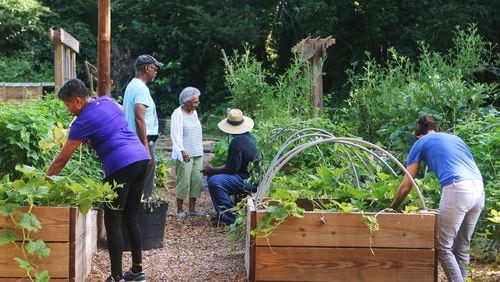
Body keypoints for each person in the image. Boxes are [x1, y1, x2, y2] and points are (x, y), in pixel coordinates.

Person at [45, 78, 150, 282]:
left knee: (112, 222)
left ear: (77, 101)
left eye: (68, 105)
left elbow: (61, 160)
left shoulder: (81, 123)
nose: (68, 110)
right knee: (132, 218)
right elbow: (117, 114)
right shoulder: (108, 101)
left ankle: (116, 277)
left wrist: (45, 182)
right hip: (140, 159)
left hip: (120, 165)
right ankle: (137, 271)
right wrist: (98, 135)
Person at [389, 115, 484, 282]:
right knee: (462, 245)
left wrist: (393, 207)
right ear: (434, 130)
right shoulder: (455, 139)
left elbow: (407, 184)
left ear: (418, 135)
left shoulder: (420, 143)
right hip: (478, 188)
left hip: (457, 188)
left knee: (443, 247)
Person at [202, 109, 257, 226]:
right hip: (252, 177)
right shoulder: (250, 137)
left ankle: (229, 217)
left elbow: (232, 169)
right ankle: (225, 213)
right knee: (215, 177)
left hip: (248, 180)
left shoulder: (237, 141)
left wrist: (212, 171)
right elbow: (232, 167)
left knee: (215, 181)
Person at [123, 54, 163, 198]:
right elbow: (139, 117)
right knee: (143, 186)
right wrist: (146, 147)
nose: (156, 71)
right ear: (146, 68)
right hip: (141, 141)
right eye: (154, 68)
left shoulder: (132, 85)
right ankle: (142, 210)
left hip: (132, 141)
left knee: (135, 180)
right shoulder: (140, 88)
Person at [170, 87, 204, 217]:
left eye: (197, 101)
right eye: (195, 102)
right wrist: (182, 150)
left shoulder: (194, 113)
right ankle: (179, 209)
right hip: (185, 153)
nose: (197, 104)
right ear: (186, 101)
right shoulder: (177, 114)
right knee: (183, 181)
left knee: (196, 180)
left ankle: (192, 209)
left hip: (197, 152)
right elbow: (175, 135)